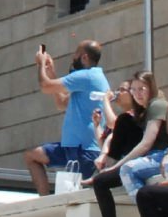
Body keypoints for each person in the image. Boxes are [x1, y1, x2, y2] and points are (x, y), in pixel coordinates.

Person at [25, 40, 110, 193]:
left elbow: (45, 86)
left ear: (84, 57)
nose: (73, 57)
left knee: (78, 195)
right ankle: (45, 203)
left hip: (84, 149)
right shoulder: (90, 79)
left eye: (76, 54)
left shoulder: (87, 76)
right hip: (70, 146)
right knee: (32, 156)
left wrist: (41, 64)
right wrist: (50, 72)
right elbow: (62, 103)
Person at [89, 71, 168, 217]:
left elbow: (146, 143)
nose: (137, 94)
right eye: (134, 90)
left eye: (142, 89)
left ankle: (152, 212)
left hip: (161, 156)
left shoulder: (157, 104)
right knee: (101, 181)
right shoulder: (143, 110)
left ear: (151, 88)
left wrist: (117, 166)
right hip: (150, 156)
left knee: (120, 173)